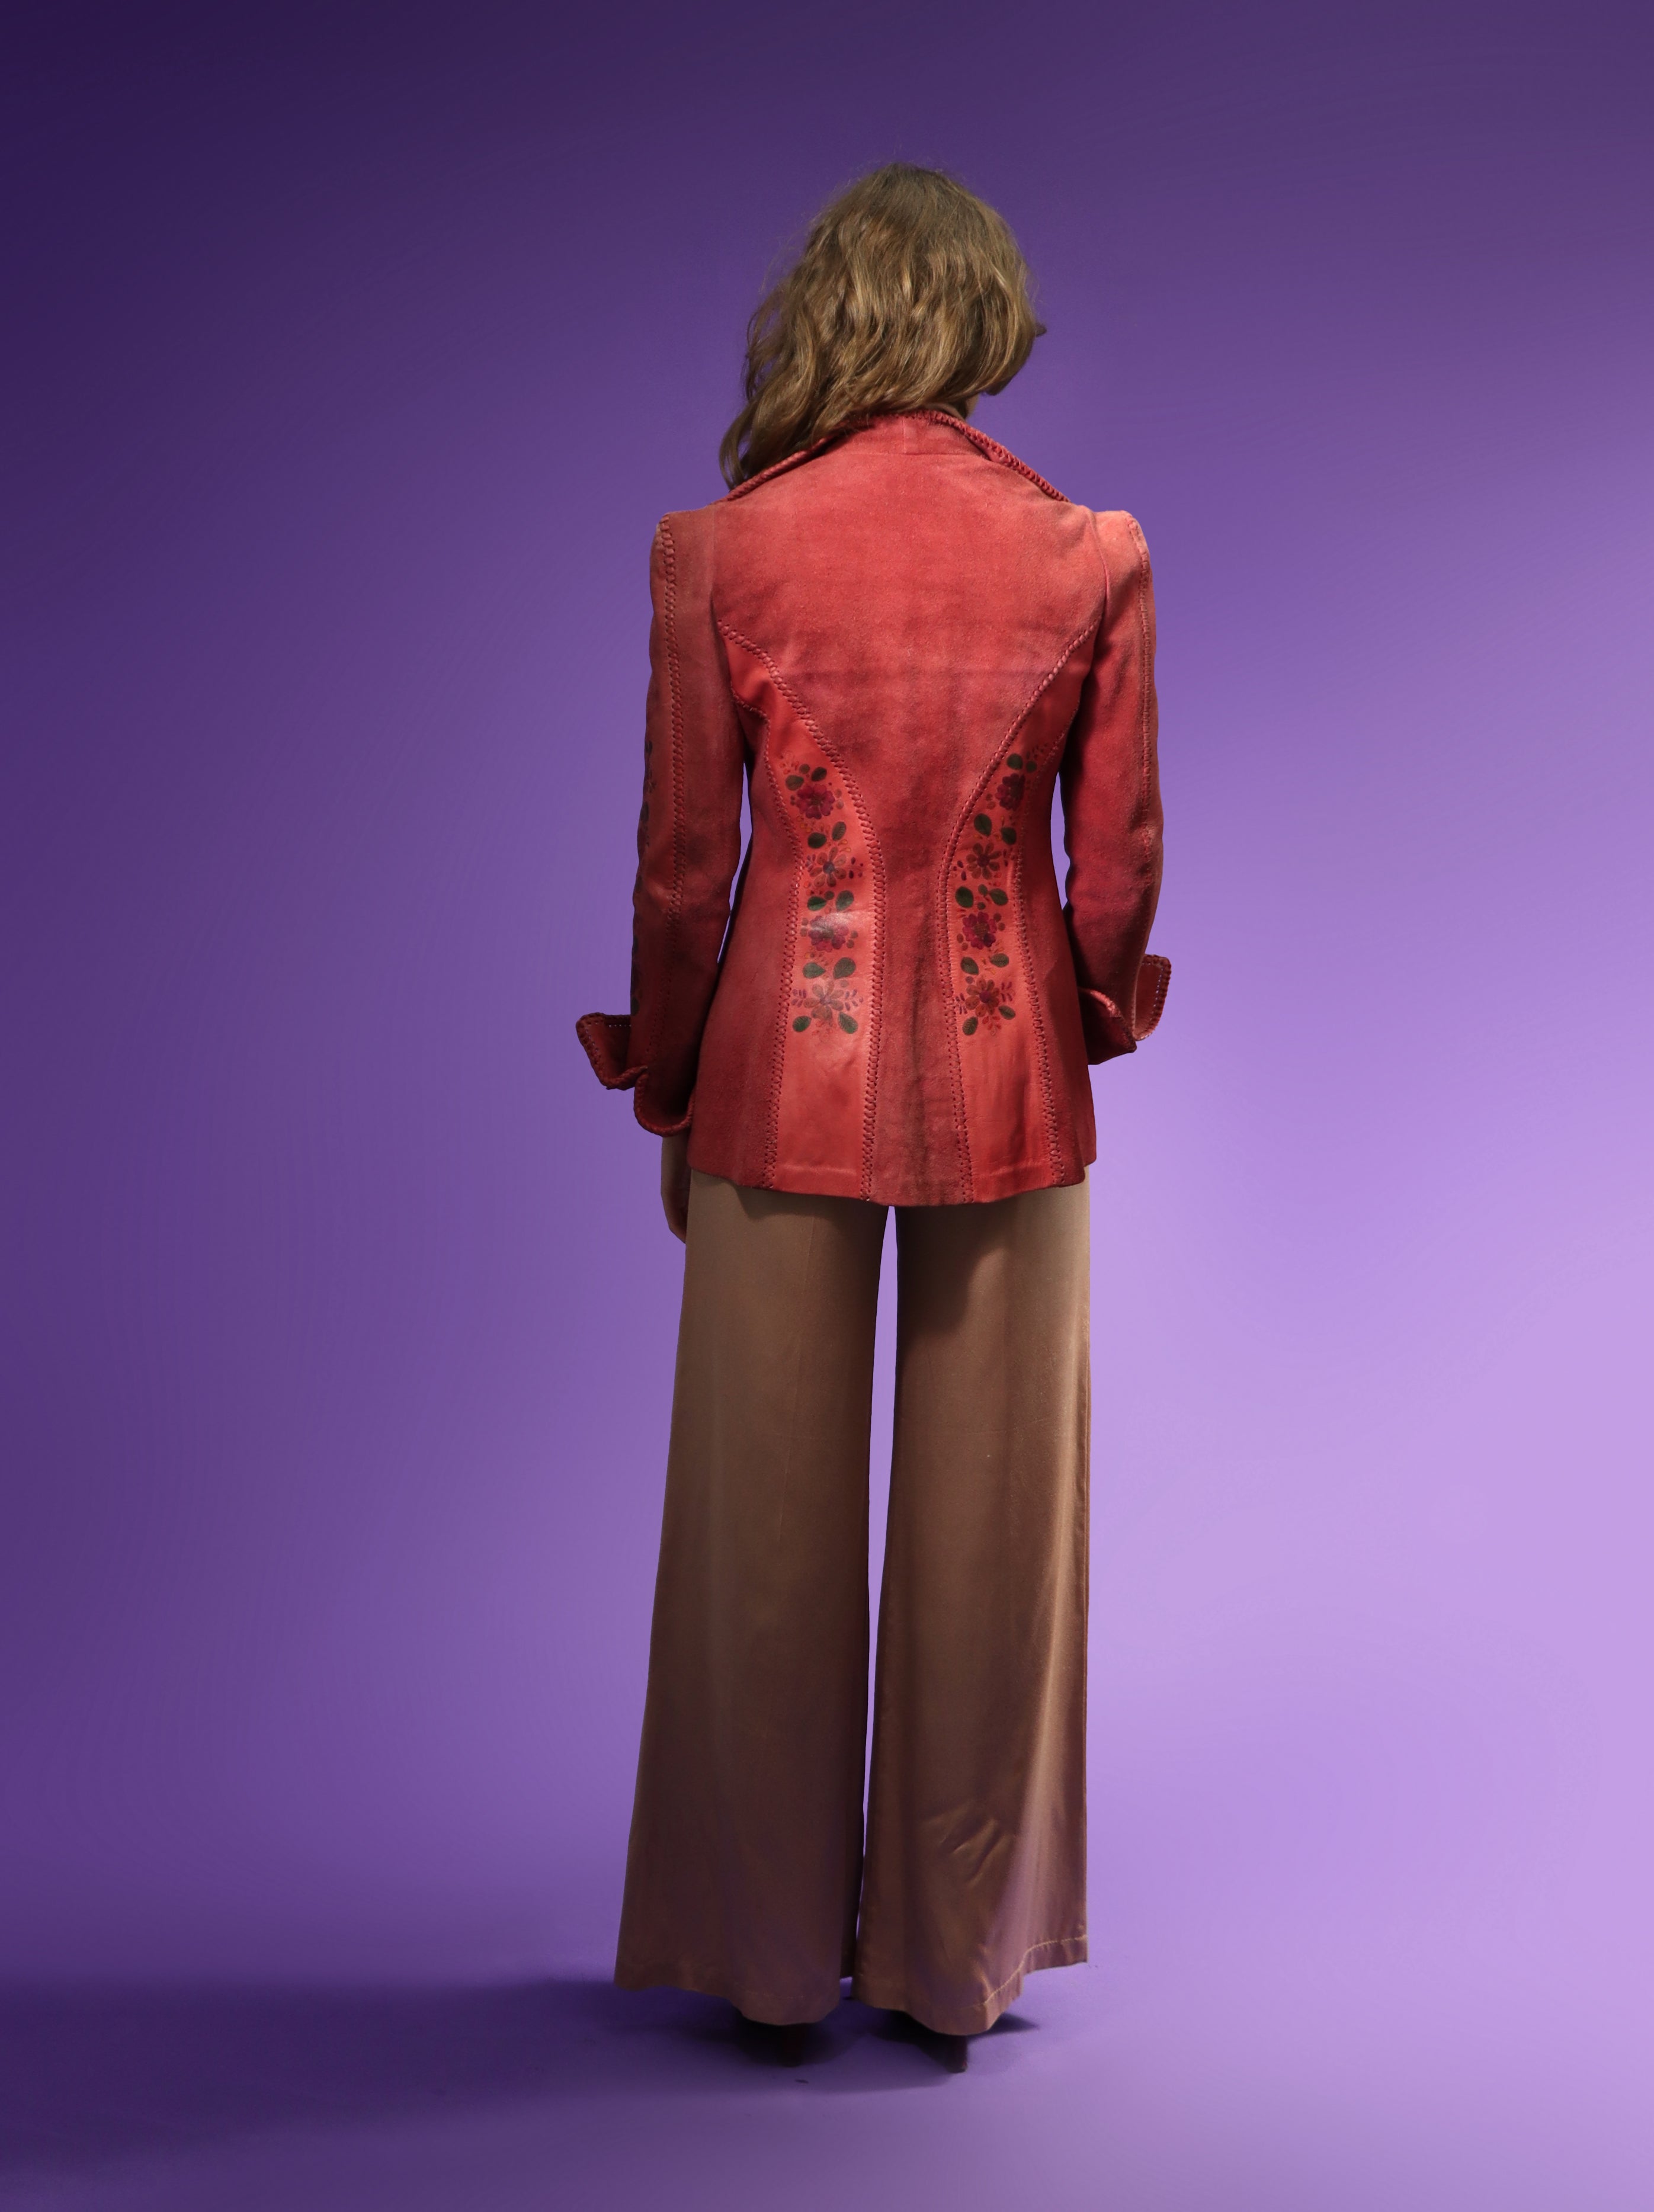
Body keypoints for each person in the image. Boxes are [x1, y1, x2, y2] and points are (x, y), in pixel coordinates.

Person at [578, 163, 1166, 2072]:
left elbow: (684, 871)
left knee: (758, 1528)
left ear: (824, 312)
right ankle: (949, 1963)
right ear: (986, 321)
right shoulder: (1088, 554)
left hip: (774, 1071)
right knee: (997, 1529)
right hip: (1016, 1083)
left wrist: (671, 1083)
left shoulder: (718, 553)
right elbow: (1113, 871)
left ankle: (767, 1964)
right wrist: (1084, 1019)